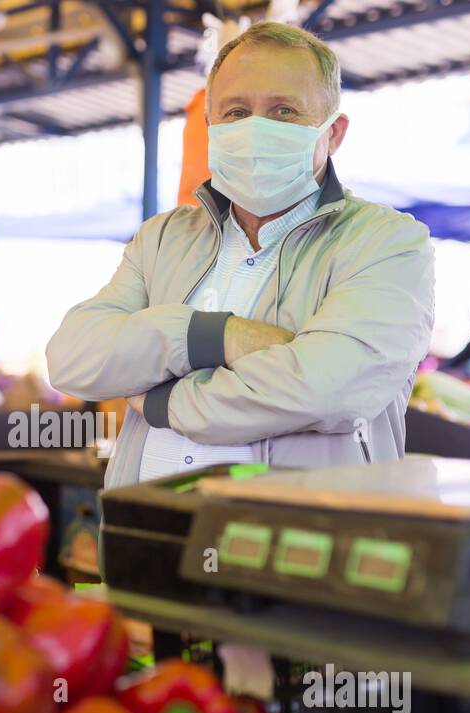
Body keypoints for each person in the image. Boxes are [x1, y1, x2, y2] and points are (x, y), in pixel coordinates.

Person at [46, 21, 434, 487]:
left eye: (284, 110)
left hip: (292, 548)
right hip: (144, 540)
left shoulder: (386, 242)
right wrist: (215, 336)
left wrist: (157, 401)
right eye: (235, 112)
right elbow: (73, 359)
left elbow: (326, 389)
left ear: (333, 134)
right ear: (209, 127)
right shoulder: (162, 239)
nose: (255, 129)